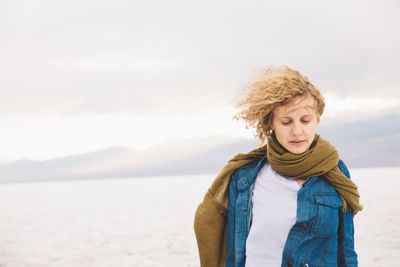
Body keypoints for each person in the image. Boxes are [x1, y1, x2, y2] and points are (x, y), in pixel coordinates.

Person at [194, 66, 363, 267]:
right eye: (286, 122)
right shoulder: (244, 177)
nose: (297, 131)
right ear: (270, 123)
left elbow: (347, 252)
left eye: (305, 120)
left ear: (317, 119)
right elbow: (235, 253)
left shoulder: (336, 173)